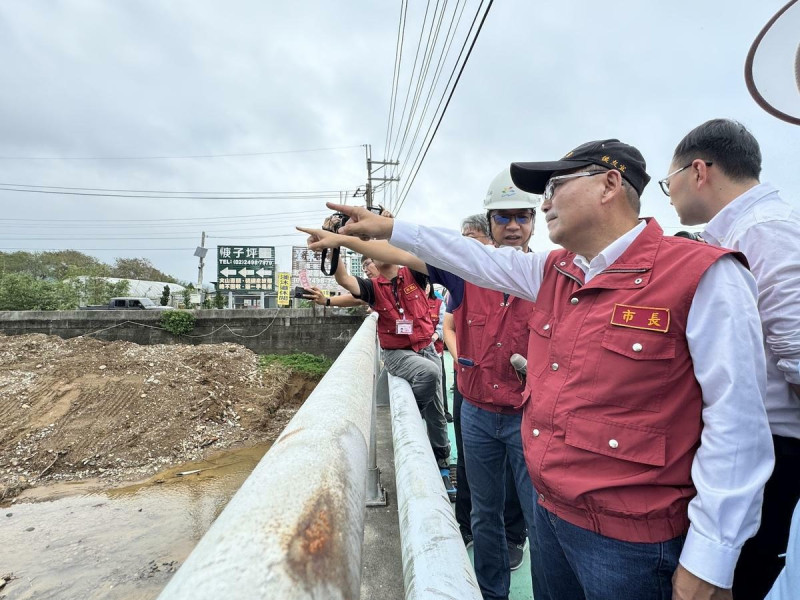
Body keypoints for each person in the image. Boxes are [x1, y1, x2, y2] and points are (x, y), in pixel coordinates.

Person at [298, 138, 775, 600]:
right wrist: (388, 227)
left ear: (609, 184)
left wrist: (709, 560)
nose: (543, 204)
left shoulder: (703, 276)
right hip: (551, 519)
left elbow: (739, 430)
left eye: (554, 188)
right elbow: (471, 256)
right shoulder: (556, 271)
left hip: (632, 541)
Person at [663, 118, 800, 599]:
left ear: (698, 170)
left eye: (669, 181)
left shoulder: (764, 230)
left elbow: (797, 351)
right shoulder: (745, 228)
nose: (669, 193)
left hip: (774, 450)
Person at [317, 238, 454, 500]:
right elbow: (345, 281)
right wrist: (333, 247)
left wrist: (393, 228)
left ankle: (442, 458)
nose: (380, 253)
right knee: (430, 374)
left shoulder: (413, 273)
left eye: (386, 246)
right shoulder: (372, 288)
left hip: (425, 346)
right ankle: (411, 417)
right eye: (373, 251)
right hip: (398, 352)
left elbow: (421, 248)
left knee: (437, 410)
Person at [443, 212, 530, 569]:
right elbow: (450, 325)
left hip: (521, 401)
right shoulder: (464, 279)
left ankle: (513, 536)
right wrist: (462, 359)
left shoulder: (537, 274)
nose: (467, 243)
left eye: (473, 237)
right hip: (473, 390)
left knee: (517, 479)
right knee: (473, 469)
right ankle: (468, 529)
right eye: (462, 236)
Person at [426, 283, 453, 423]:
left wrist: (434, 336)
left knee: (440, 382)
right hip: (420, 353)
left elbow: (443, 326)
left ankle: (444, 411)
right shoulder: (412, 304)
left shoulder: (439, 303)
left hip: (436, 351)